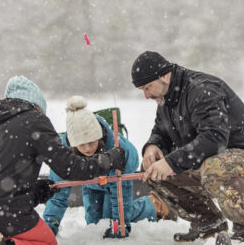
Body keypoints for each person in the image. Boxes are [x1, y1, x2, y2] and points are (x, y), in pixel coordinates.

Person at [0, 76, 125, 245]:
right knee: (45, 241)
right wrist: (109, 159)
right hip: (0, 214)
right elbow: (71, 168)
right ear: (37, 106)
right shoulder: (34, 120)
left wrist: (36, 193)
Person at [131, 51, 244, 242]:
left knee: (215, 168)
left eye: (148, 87)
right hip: (211, 161)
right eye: (142, 89)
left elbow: (215, 139)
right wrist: (152, 146)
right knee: (153, 171)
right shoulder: (166, 98)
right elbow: (161, 131)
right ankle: (207, 222)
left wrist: (172, 162)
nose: (146, 95)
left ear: (164, 76)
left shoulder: (202, 90)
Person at [43, 96, 169, 238]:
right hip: (91, 179)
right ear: (72, 144)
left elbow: (121, 194)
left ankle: (154, 204)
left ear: (99, 136)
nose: (88, 148)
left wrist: (120, 224)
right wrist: (50, 225)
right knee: (95, 224)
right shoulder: (63, 152)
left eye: (92, 141)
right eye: (81, 144)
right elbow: (57, 193)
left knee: (111, 218)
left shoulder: (117, 150)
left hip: (116, 176)